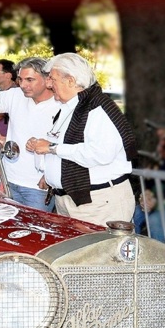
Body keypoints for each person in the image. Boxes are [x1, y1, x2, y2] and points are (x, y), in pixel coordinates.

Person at [25, 53, 137, 227]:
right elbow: (64, 147)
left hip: (99, 203)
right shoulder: (70, 108)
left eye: (52, 79)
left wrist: (52, 148)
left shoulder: (98, 109)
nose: (48, 84)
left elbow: (101, 154)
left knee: (102, 254)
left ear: (70, 80)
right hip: (74, 201)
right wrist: (48, 169)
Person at [0, 57, 60, 210]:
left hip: (39, 187)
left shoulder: (62, 104)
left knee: (35, 232)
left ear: (47, 79)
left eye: (29, 80)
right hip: (7, 180)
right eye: (20, 79)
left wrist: (51, 176)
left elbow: (69, 145)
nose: (23, 85)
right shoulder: (15, 95)